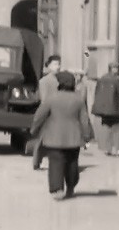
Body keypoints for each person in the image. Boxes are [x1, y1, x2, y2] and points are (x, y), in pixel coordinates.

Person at [30, 70, 92, 200]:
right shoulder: (79, 99)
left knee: (55, 163)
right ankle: (71, 186)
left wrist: (34, 130)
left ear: (59, 83)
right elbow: (84, 120)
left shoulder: (51, 98)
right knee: (72, 163)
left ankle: (57, 188)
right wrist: (87, 136)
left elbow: (39, 116)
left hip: (54, 137)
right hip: (74, 137)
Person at [32, 55, 61, 170]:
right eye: (55, 64)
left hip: (58, 113)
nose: (58, 67)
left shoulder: (60, 80)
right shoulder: (44, 81)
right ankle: (36, 162)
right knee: (41, 139)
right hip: (48, 114)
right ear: (48, 66)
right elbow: (44, 100)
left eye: (59, 64)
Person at [92, 63, 119, 156]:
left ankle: (107, 148)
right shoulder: (116, 80)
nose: (117, 70)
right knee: (116, 128)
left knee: (106, 127)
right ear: (112, 69)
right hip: (114, 108)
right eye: (115, 68)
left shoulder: (101, 78)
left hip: (103, 109)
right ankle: (117, 148)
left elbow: (97, 92)